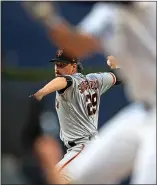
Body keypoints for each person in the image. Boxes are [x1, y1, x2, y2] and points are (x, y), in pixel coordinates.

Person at [22, 2, 156, 184]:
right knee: (75, 178)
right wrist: (47, 17)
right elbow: (78, 46)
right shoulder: (108, 10)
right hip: (143, 111)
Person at [31, 49, 121, 182]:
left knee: (53, 178)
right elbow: (117, 77)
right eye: (56, 64)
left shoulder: (68, 81)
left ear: (74, 66)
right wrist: (117, 66)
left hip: (81, 148)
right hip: (92, 148)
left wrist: (40, 93)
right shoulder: (96, 79)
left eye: (62, 65)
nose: (57, 68)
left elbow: (63, 81)